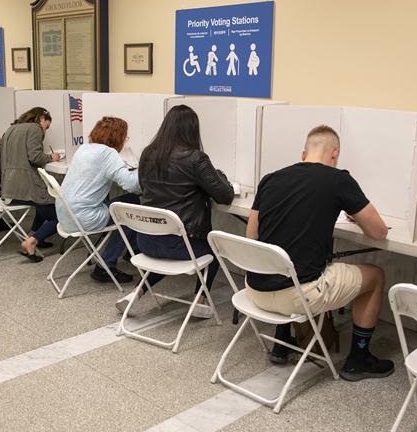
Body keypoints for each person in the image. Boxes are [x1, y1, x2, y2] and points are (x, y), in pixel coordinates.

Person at [245, 125, 393, 381]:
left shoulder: (270, 179)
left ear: (303, 154)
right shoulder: (338, 180)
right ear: (335, 154)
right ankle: (359, 359)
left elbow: (251, 237)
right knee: (376, 276)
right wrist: (357, 218)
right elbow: (379, 232)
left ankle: (283, 343)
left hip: (255, 290)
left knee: (295, 263)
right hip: (297, 296)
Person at [115, 105, 234, 317]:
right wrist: (220, 175)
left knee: (166, 252)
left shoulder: (148, 154)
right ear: (192, 130)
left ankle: (136, 293)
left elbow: (143, 185)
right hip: (182, 246)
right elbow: (224, 195)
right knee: (216, 250)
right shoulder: (196, 159)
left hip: (147, 242)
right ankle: (200, 299)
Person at [55, 116, 141, 284]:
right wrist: (146, 170)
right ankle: (106, 267)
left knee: (125, 202)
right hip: (83, 218)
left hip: (65, 215)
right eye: (125, 137)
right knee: (129, 207)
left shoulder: (84, 148)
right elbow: (131, 185)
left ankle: (132, 250)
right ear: (118, 137)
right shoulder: (108, 153)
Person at [0, 107, 61, 261]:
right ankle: (32, 241)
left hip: (9, 187)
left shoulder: (11, 128)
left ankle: (33, 235)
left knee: (43, 204)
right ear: (41, 118)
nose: (45, 131)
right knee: (60, 216)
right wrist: (51, 157)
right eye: (47, 126)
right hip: (26, 186)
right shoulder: (35, 129)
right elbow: (35, 157)